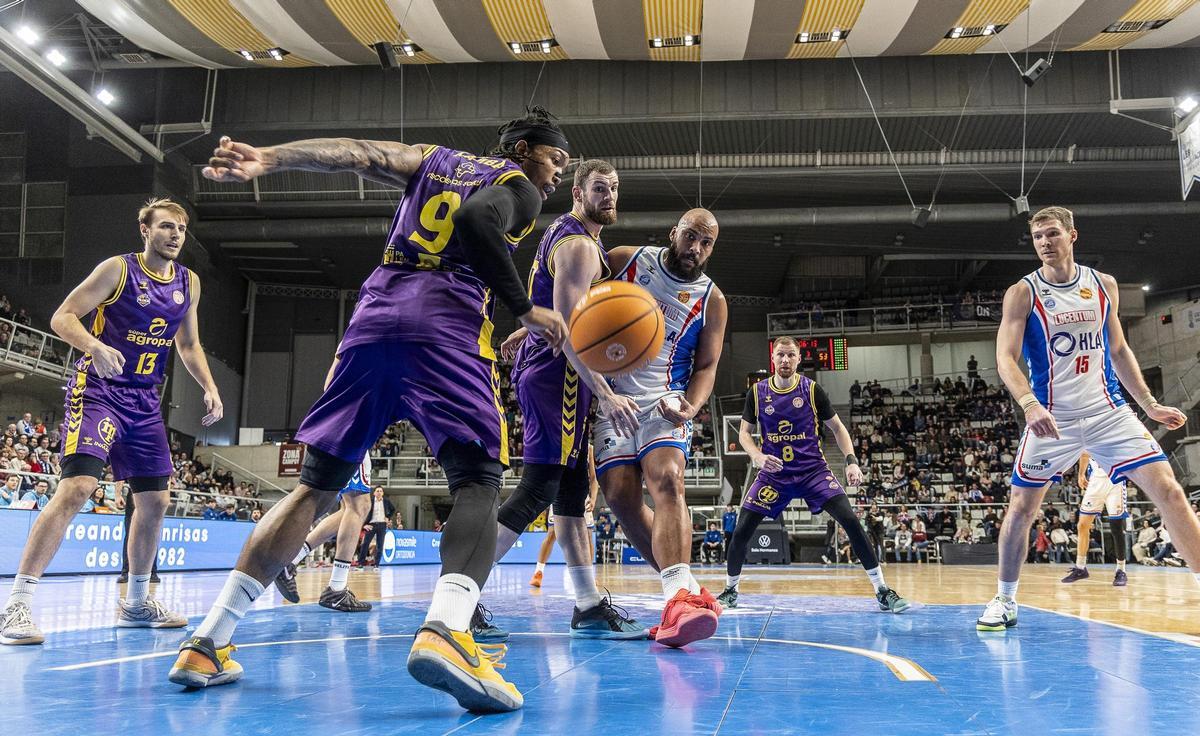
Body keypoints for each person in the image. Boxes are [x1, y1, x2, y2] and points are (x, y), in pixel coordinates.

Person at [170, 110, 570, 715]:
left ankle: (209, 641)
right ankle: (448, 628)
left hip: (376, 313)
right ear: (521, 150)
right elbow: (475, 219)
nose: (557, 174)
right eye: (554, 159)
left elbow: (358, 152)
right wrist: (523, 306)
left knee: (315, 486)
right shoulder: (517, 186)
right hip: (447, 322)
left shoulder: (434, 158)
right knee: (478, 480)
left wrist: (272, 159)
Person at [0, 198, 222, 646]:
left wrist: (210, 386)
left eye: (181, 228)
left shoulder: (189, 282)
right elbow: (63, 317)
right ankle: (16, 605)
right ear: (145, 230)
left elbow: (189, 344)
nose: (175, 234)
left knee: (156, 501)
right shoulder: (117, 270)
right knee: (78, 487)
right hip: (99, 391)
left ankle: (136, 602)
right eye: (166, 226)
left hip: (145, 400)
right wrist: (94, 346)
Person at [977, 206, 1200, 632]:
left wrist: (1149, 404)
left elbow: (1118, 350)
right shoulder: (1022, 293)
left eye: (1052, 233)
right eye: (1037, 236)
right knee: (1021, 509)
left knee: (1170, 491)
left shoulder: (1103, 285)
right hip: (1052, 417)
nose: (1044, 242)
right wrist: (1029, 404)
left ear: (1072, 235)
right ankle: (1004, 600)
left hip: (1107, 412)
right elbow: (1005, 358)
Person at [485, 159, 643, 641]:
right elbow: (571, 329)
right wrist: (605, 392)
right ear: (578, 192)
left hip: (549, 370)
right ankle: (459, 595)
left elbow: (552, 305)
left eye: (614, 188)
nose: (609, 196)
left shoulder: (567, 234)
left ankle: (588, 603)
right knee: (537, 490)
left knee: (571, 497)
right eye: (599, 189)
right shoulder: (579, 246)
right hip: (560, 379)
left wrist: (526, 329)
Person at [595, 208, 729, 648]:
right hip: (612, 398)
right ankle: (686, 590)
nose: (696, 248)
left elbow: (707, 366)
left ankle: (676, 600)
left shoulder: (712, 299)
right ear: (674, 233)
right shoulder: (626, 260)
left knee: (668, 479)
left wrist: (692, 405)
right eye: (691, 237)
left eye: (706, 243)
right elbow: (572, 292)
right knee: (620, 498)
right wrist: (536, 323)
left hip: (664, 402)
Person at [716, 337, 908, 612]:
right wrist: (757, 456)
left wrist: (851, 461)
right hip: (775, 475)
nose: (785, 360)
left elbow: (838, 428)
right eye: (780, 355)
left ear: (798, 359)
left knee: (851, 521)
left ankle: (882, 590)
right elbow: (744, 433)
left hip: (812, 472)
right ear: (773, 358)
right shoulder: (757, 393)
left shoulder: (812, 390)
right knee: (741, 530)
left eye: (790, 355)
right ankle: (730, 590)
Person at [276, 452, 375, 613]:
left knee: (347, 510)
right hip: (351, 439)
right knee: (359, 506)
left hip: (334, 441)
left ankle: (292, 559)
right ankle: (336, 589)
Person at [1061, 453, 1130, 586]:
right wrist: (1081, 474)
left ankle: (1121, 570)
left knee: (1116, 528)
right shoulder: (1088, 439)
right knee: (1082, 525)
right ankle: (1080, 568)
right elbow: (1084, 453)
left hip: (1115, 481)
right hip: (1095, 482)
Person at [356, 487, 395, 568]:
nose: (379, 492)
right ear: (374, 493)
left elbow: (393, 509)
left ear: (383, 493)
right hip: (371, 525)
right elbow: (363, 512)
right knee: (365, 543)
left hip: (382, 525)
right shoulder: (370, 501)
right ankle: (360, 563)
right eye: (377, 491)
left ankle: (376, 564)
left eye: (381, 491)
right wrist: (364, 524)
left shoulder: (386, 501)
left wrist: (388, 517)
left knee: (380, 545)